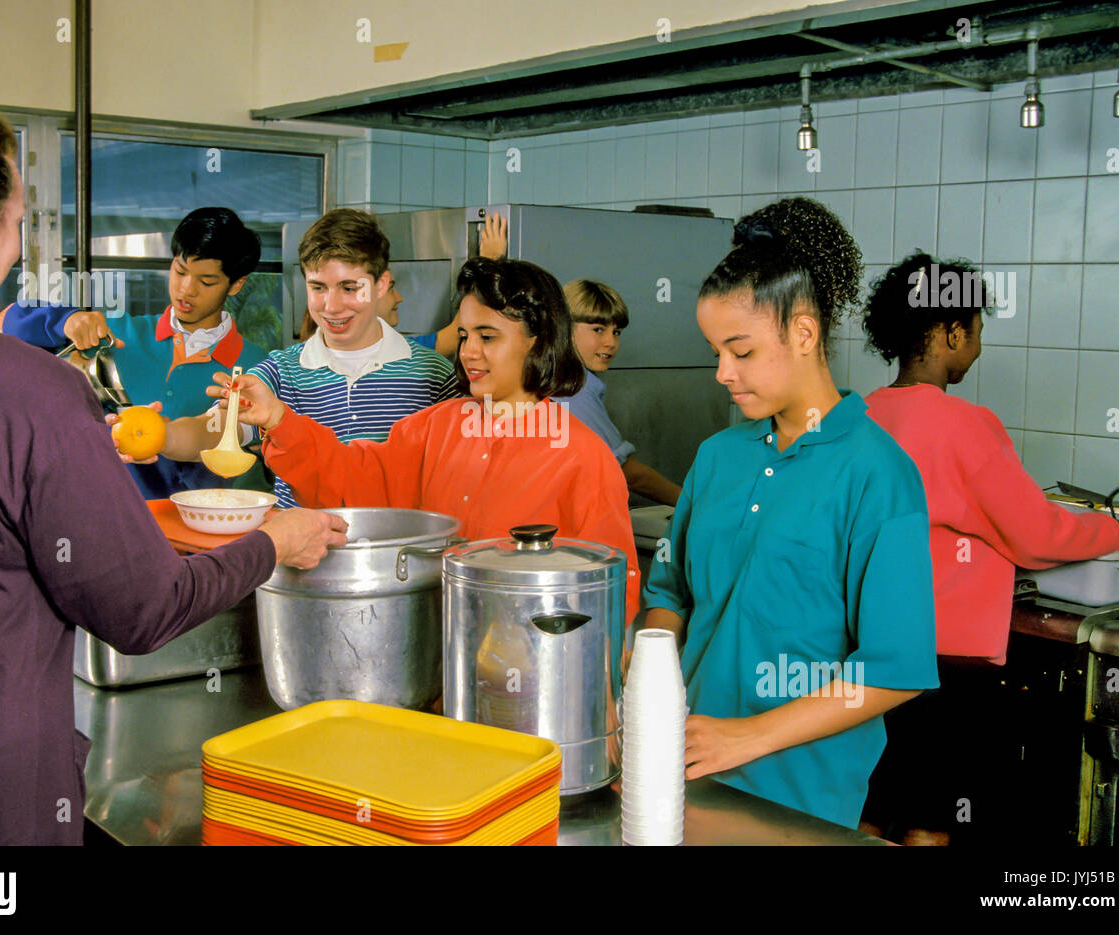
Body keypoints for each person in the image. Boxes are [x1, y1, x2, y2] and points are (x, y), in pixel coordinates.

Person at [0, 96, 347, 845]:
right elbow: (143, 610)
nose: (21, 248)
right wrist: (275, 543)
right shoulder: (32, 388)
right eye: (21, 222)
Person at [641, 197, 939, 830]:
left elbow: (895, 667)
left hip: (800, 793)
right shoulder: (718, 456)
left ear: (804, 333)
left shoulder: (878, 474)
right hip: (682, 768)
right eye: (715, 351)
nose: (722, 372)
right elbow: (670, 591)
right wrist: (646, 687)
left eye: (741, 351)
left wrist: (746, 736)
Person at [858, 251, 1119, 845]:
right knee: (933, 823)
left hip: (868, 650)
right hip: (945, 664)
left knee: (873, 810)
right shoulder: (965, 424)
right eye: (976, 330)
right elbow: (1036, 533)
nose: (978, 347)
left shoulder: (859, 416)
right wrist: (1117, 533)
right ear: (949, 331)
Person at [216, 256, 643, 626]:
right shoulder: (434, 428)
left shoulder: (582, 457)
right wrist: (279, 420)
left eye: (487, 337)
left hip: (526, 683)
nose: (468, 352)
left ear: (539, 342)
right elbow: (350, 479)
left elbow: (611, 592)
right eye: (464, 336)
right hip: (423, 658)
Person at [153, 208, 459, 508]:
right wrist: (160, 436)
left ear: (380, 284)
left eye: (349, 288)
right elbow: (214, 430)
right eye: (318, 288)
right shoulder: (280, 371)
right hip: (303, 552)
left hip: (400, 551)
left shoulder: (432, 373)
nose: (332, 306)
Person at [1, 207, 270, 498]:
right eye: (179, 271)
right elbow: (4, 324)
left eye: (206, 281)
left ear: (236, 284)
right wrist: (65, 320)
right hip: (101, 519)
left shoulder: (257, 367)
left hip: (199, 535)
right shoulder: (115, 336)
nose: (186, 289)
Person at [295, 210, 508, 358]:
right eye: (391, 289)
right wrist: (488, 264)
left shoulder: (414, 357)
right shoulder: (282, 372)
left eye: (348, 288)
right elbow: (454, 335)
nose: (399, 298)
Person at [552, 279, 683, 506]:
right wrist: (690, 503)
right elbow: (628, 472)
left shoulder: (554, 375)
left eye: (617, 332)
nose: (611, 342)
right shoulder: (572, 388)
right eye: (598, 330)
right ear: (564, 327)